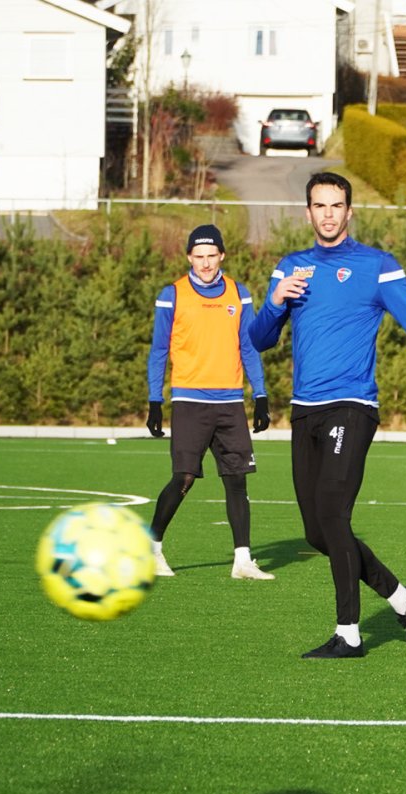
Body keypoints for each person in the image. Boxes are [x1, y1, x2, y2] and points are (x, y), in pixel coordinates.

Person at [249, 172, 406, 659]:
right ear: (308, 213)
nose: (329, 213)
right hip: (305, 411)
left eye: (337, 205)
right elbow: (258, 339)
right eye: (320, 206)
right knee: (318, 532)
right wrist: (274, 303)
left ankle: (348, 634)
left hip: (353, 406)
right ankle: (404, 598)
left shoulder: (377, 266)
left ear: (349, 211)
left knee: (334, 514)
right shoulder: (291, 268)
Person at [145, 224, 274, 581]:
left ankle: (243, 560)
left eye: (211, 256)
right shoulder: (172, 295)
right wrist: (155, 400)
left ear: (222, 256)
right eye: (198, 257)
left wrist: (260, 394)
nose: (205, 263)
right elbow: (158, 351)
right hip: (189, 401)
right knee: (184, 477)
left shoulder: (239, 293)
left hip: (231, 402)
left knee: (237, 480)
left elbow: (248, 346)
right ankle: (153, 547)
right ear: (189, 257)